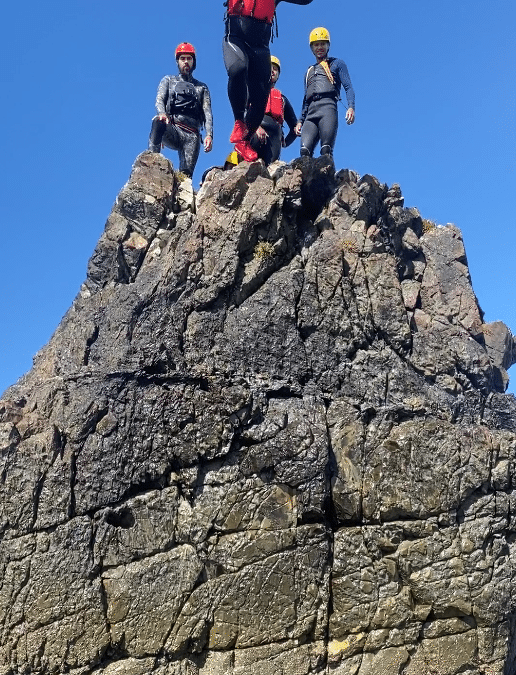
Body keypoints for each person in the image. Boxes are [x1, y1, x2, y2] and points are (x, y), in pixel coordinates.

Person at [223, 0, 314, 163]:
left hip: (260, 44)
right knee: (238, 69)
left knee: (261, 95)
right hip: (235, 36)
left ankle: (244, 140)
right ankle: (239, 122)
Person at [148, 42, 213, 178]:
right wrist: (162, 114)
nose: (186, 62)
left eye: (189, 58)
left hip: (192, 136)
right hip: (174, 128)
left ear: (194, 61)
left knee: (185, 177)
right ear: (177, 61)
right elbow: (159, 100)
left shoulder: (202, 88)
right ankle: (152, 163)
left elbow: (207, 112)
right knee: (157, 121)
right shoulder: (168, 80)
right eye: (182, 58)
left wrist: (209, 135)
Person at [295, 27, 355, 158]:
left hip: (328, 107)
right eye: (316, 45)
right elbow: (306, 99)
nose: (319, 47)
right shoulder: (309, 71)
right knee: (304, 151)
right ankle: (307, 178)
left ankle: (326, 177)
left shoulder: (337, 63)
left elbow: (348, 86)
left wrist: (351, 107)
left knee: (326, 150)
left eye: (323, 44)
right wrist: (300, 120)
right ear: (312, 48)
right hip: (311, 112)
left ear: (328, 45)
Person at [249, 56, 298, 165]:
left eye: (275, 69)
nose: (272, 71)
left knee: (272, 169)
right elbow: (242, 113)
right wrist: (256, 127)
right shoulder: (253, 92)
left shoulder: (282, 100)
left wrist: (285, 143)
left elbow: (295, 128)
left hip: (275, 140)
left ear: (278, 75)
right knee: (251, 165)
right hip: (256, 132)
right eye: (269, 67)